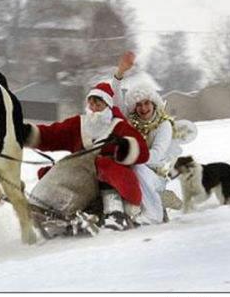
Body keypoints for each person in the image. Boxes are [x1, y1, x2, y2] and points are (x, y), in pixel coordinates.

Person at [25, 81, 150, 231]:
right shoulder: (79, 124)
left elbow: (142, 152)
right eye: (91, 104)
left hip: (106, 178)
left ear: (108, 106)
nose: (94, 109)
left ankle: (115, 212)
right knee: (61, 171)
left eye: (98, 104)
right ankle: (47, 208)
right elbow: (54, 134)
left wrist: (125, 146)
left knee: (105, 165)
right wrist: (28, 134)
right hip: (80, 176)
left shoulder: (119, 126)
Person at [112, 51, 183, 224]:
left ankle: (154, 213)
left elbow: (157, 154)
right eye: (139, 105)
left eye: (146, 103)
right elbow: (116, 101)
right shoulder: (131, 121)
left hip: (155, 175)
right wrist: (120, 73)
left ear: (153, 103)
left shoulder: (163, 125)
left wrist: (134, 157)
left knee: (138, 168)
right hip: (132, 169)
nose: (143, 108)